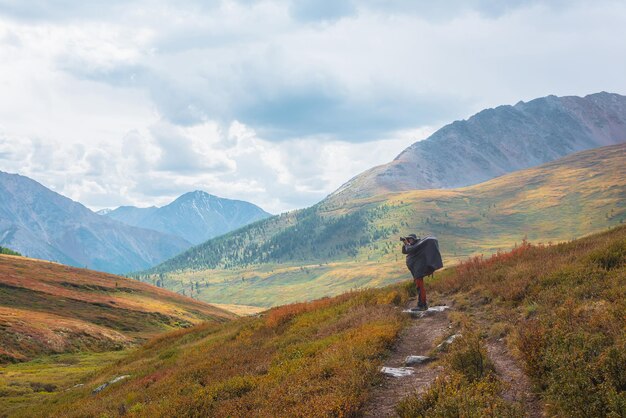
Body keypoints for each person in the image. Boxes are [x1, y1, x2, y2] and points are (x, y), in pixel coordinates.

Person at [401, 234, 444, 311]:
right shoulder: (413, 246)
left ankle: (422, 305)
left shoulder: (417, 246)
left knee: (420, 287)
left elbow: (409, 249)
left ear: (415, 239)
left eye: (411, 239)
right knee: (419, 287)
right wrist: (405, 244)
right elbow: (404, 251)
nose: (410, 241)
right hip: (417, 270)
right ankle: (422, 304)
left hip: (419, 270)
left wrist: (407, 244)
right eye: (408, 239)